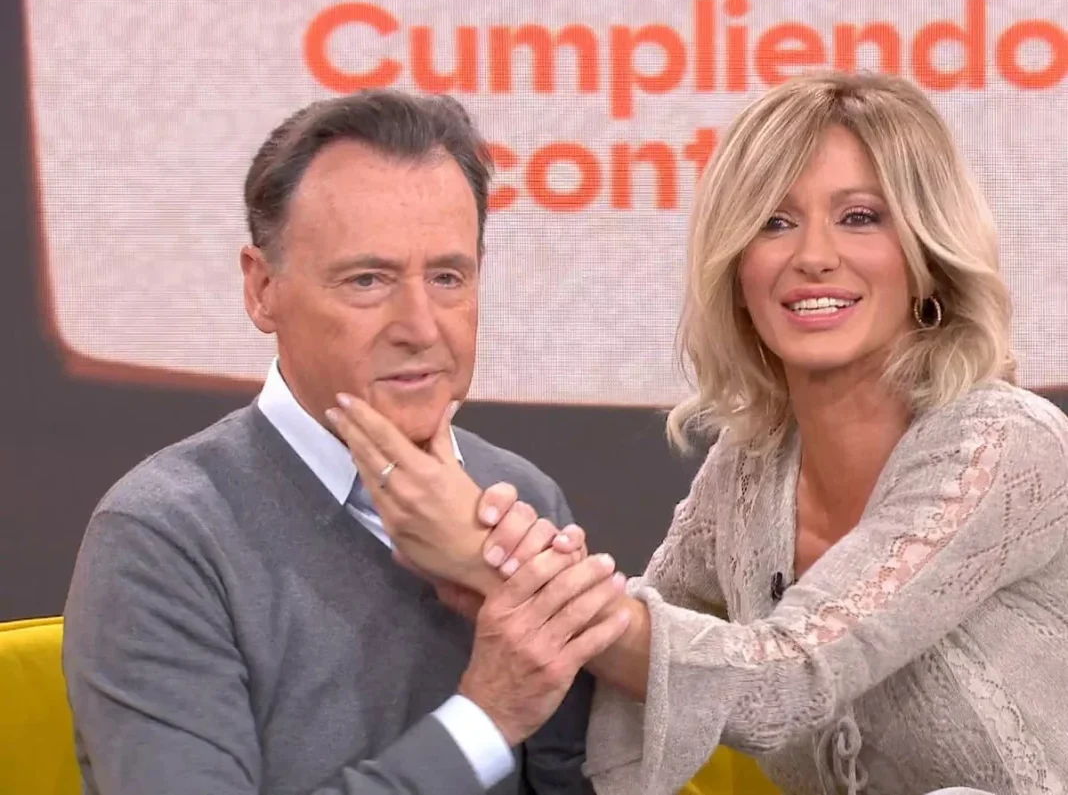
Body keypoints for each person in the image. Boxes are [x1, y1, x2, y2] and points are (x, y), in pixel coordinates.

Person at [326, 71, 1068, 795]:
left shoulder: (1001, 445)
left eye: (860, 217)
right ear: (738, 268)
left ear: (929, 256)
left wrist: (501, 566)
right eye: (774, 221)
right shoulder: (751, 467)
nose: (813, 256)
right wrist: (507, 592)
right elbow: (638, 674)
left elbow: (784, 678)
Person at [62, 90, 632, 795]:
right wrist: (484, 721)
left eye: (447, 277)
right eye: (368, 280)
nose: (420, 326)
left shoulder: (519, 498)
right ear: (263, 288)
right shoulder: (163, 536)